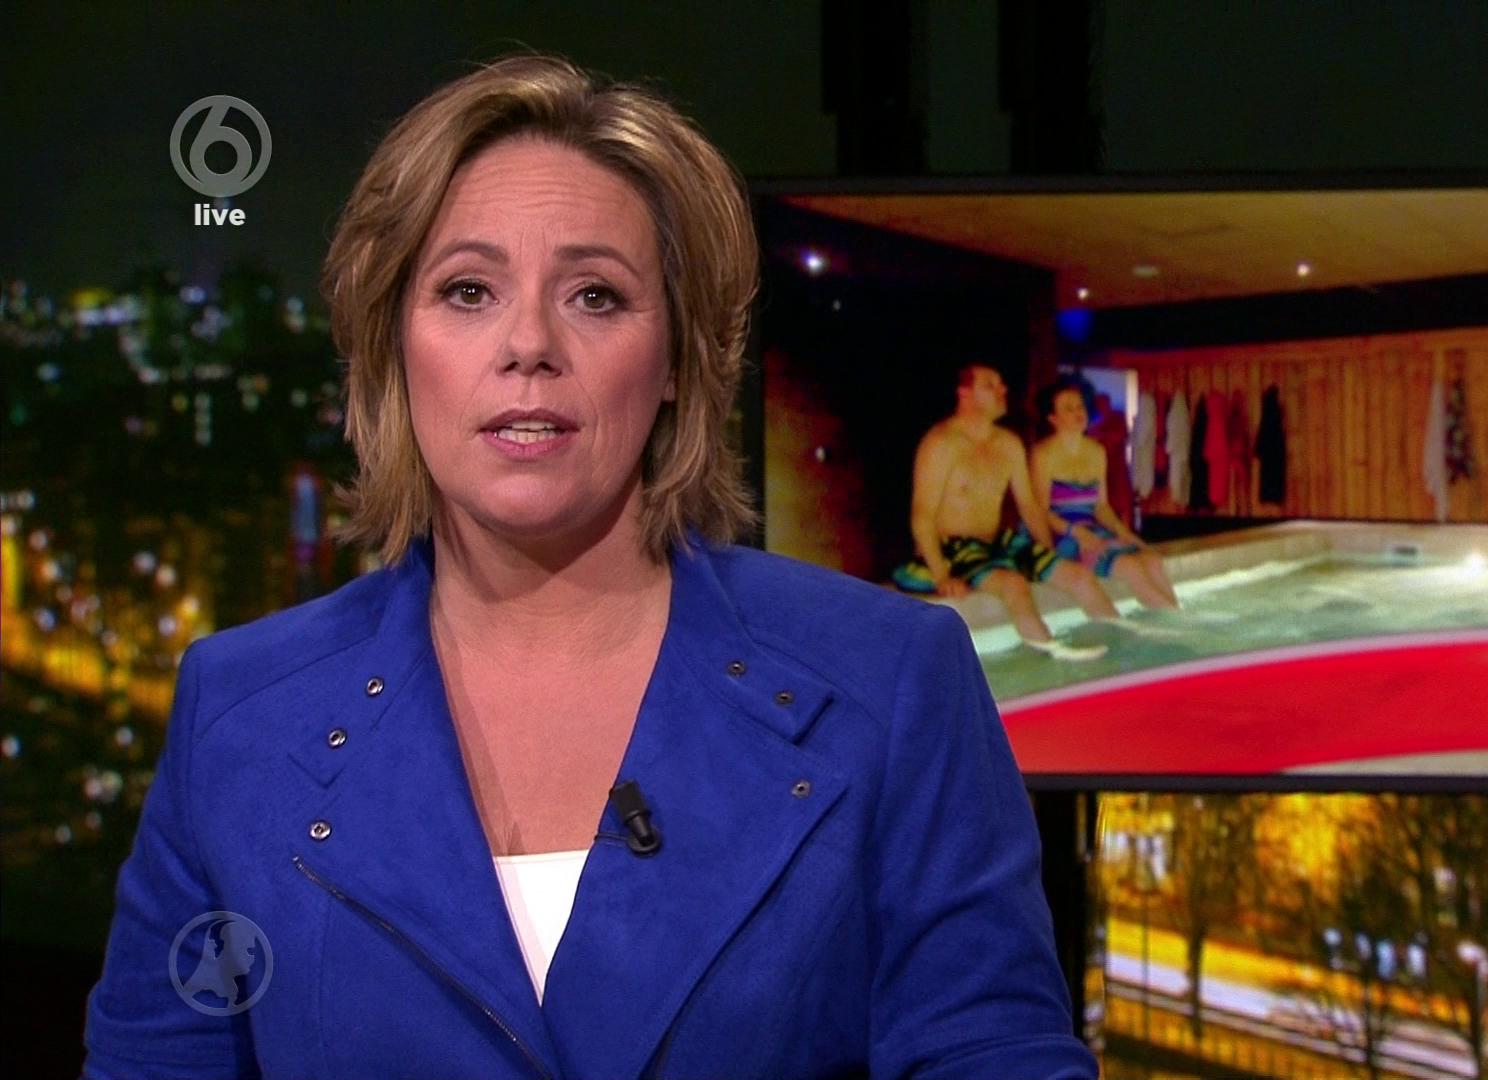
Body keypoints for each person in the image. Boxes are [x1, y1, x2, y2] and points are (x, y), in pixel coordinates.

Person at [83, 53, 1096, 1080]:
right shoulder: (238, 715)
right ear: (390, 347)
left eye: (597, 297)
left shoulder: (895, 681)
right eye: (468, 290)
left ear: (679, 360)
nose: (529, 343)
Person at [895, 364, 1116, 660]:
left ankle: (1122, 636)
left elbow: (1029, 506)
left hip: (996, 543)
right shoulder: (941, 443)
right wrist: (941, 576)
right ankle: (1054, 653)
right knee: (1014, 584)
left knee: (1077, 575)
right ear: (964, 393)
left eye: (1001, 384)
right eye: (990, 385)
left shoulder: (1008, 444)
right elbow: (922, 514)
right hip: (953, 547)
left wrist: (1048, 553)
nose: (1003, 390)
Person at [1030, 379, 1180, 610]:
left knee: (1152, 561)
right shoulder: (1043, 454)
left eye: (1080, 406)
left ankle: (1176, 616)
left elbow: (1101, 506)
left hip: (1092, 529)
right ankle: (1172, 621)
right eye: (1068, 408)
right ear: (1053, 418)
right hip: (1061, 535)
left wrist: (1125, 533)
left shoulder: (1096, 452)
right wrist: (1077, 533)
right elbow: (1041, 511)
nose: (1078, 412)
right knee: (1130, 567)